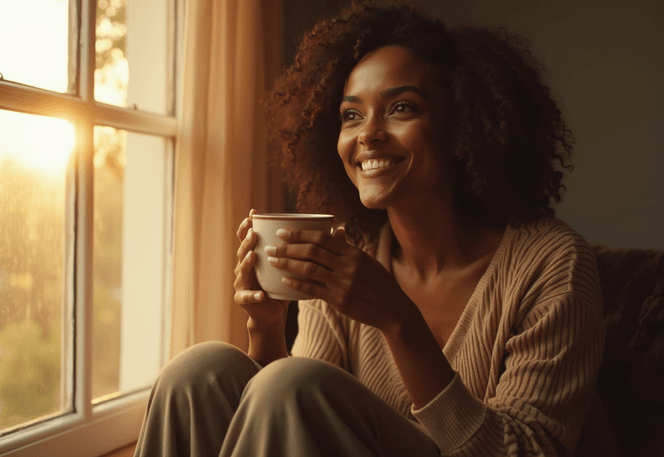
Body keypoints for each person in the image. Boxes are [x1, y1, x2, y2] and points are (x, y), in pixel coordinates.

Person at [134, 1, 619, 455]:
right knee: (198, 372)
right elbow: (283, 413)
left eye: (401, 108)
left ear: (461, 126)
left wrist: (396, 318)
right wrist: (266, 329)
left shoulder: (553, 262)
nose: (368, 134)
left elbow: (527, 449)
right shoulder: (350, 250)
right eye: (351, 115)